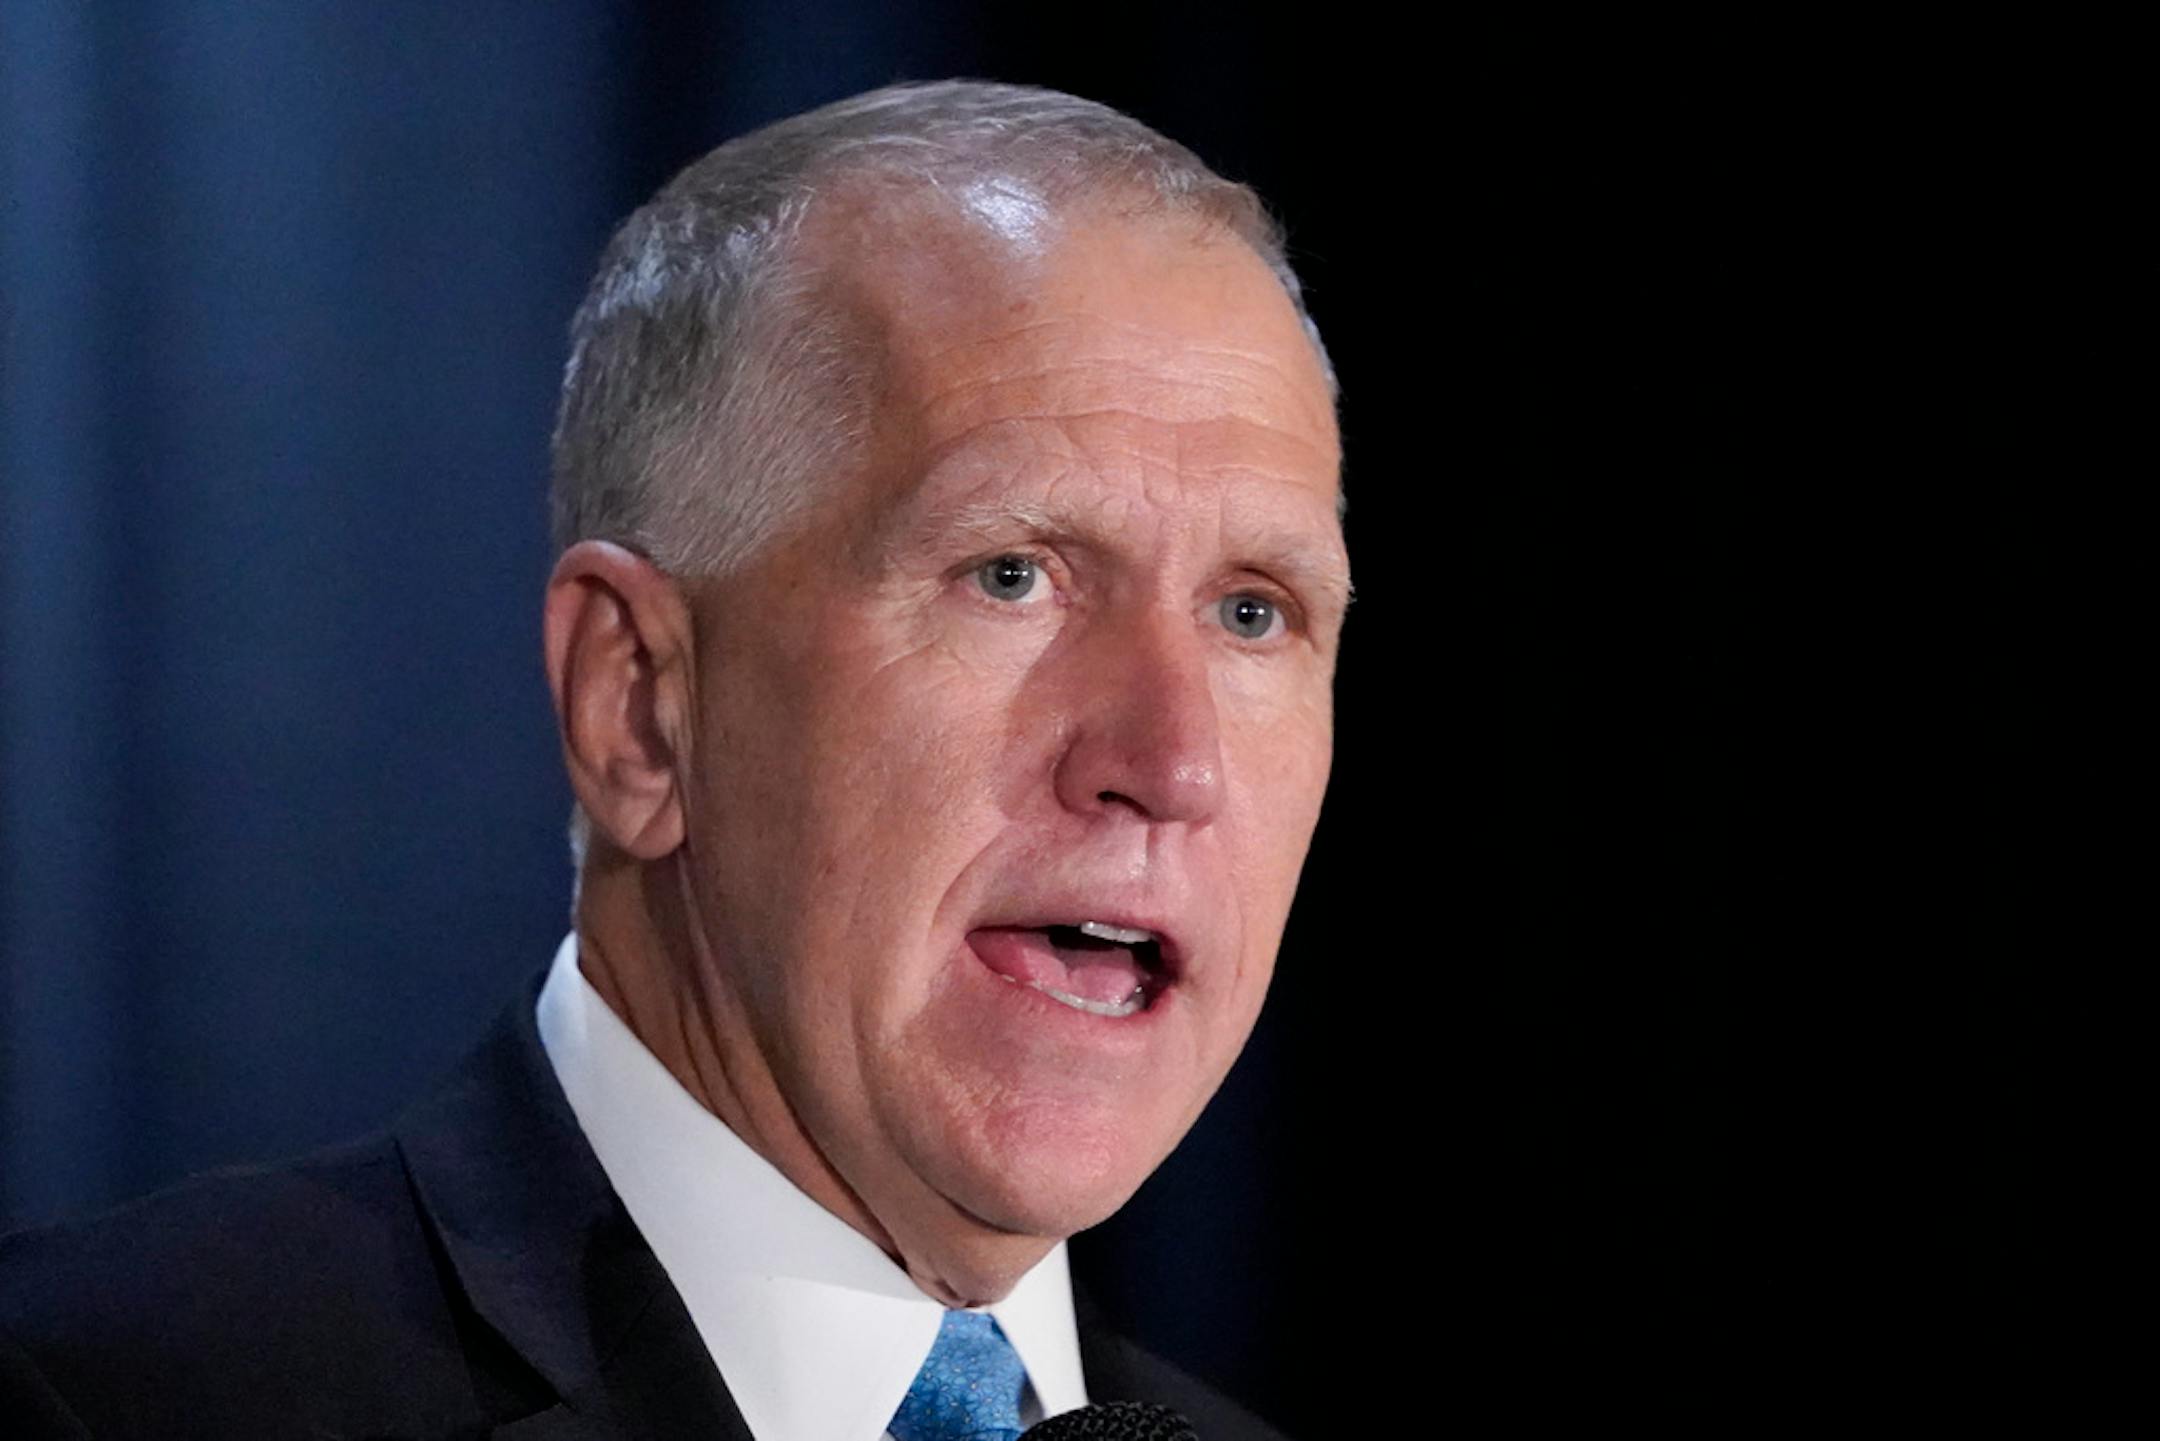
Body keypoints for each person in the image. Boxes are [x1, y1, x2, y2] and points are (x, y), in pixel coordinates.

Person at [0, 80, 1349, 1440]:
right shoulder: (103, 1396)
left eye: (1254, 611)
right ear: (637, 703)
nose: (1173, 761)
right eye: (1011, 575)